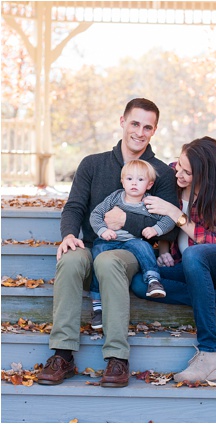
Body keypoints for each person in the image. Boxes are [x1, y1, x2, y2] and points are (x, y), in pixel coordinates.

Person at [36, 98, 180, 388]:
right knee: (72, 259)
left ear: (154, 131)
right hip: (93, 246)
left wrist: (125, 221)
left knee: (108, 260)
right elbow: (75, 207)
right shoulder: (93, 164)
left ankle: (117, 358)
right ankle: (63, 353)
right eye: (135, 123)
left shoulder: (161, 173)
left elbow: (167, 231)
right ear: (122, 122)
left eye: (147, 127)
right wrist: (68, 235)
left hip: (132, 253)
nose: (140, 132)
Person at [137, 136, 216, 382]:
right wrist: (165, 248)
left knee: (195, 254)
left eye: (187, 172)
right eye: (179, 165)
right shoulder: (170, 175)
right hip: (187, 264)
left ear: (205, 174)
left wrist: (176, 214)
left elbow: (215, 241)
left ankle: (211, 351)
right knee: (140, 281)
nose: (178, 173)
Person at [88, 159, 175, 312]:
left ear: (149, 184)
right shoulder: (115, 198)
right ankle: (96, 301)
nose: (134, 183)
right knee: (98, 252)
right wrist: (102, 230)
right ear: (122, 182)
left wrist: (155, 230)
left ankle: (153, 279)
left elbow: (169, 219)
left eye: (140, 179)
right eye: (129, 179)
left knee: (143, 246)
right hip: (109, 240)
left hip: (132, 242)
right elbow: (96, 214)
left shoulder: (149, 203)